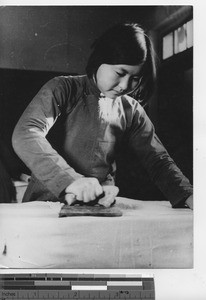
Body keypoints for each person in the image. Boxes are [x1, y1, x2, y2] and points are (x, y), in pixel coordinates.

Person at [12, 23, 193, 209]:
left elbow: (157, 160)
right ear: (100, 59)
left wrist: (188, 194)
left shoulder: (131, 110)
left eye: (135, 78)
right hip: (44, 205)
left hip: (99, 207)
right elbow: (26, 133)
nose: (124, 85)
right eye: (120, 73)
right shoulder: (62, 88)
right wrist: (70, 181)